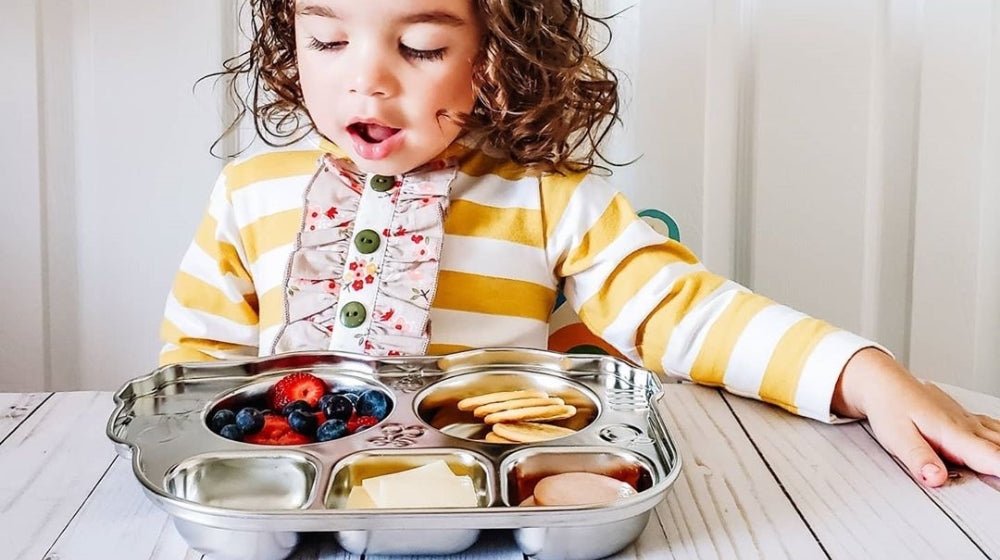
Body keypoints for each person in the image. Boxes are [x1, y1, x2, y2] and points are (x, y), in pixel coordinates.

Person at [160, 0, 999, 487]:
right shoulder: (248, 191)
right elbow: (198, 370)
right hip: (286, 496)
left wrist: (865, 374)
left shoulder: (548, 196)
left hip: (492, 496)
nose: (363, 77)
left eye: (420, 46)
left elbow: (687, 314)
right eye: (327, 38)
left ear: (499, 50)